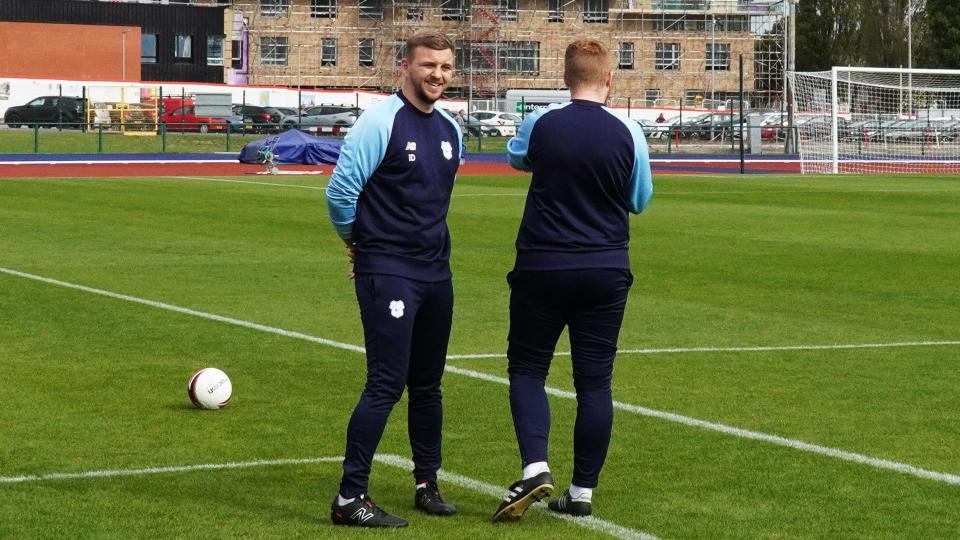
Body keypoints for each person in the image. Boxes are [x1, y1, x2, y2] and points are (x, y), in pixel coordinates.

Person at [491, 38, 653, 522]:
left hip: (543, 263)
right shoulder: (630, 131)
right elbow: (639, 201)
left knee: (527, 368)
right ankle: (581, 491)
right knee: (595, 383)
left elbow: (517, 158)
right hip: (604, 266)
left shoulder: (540, 123)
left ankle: (536, 465)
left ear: (565, 77)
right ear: (610, 78)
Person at [325, 30, 464, 528]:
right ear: (405, 68)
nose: (438, 75)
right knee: (386, 382)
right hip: (389, 271)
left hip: (435, 272)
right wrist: (357, 244)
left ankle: (427, 482)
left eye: (446, 67)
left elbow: (435, 200)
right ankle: (350, 498)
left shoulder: (451, 128)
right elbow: (341, 194)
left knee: (428, 385)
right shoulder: (380, 121)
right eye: (428, 66)